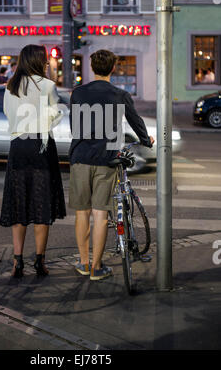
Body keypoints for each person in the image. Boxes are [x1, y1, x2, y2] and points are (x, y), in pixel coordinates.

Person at [69, 49, 154, 281]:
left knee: (82, 212)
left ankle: (84, 263)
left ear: (92, 67)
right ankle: (97, 268)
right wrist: (146, 140)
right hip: (106, 158)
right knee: (101, 213)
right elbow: (136, 121)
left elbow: (74, 126)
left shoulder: (77, 93)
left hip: (80, 156)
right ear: (113, 69)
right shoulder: (120, 94)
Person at [0, 44, 66, 278]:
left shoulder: (11, 85)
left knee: (19, 204)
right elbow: (55, 116)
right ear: (38, 61)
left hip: (18, 146)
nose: (47, 62)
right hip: (40, 146)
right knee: (41, 204)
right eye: (45, 59)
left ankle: (17, 261)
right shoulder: (47, 86)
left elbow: (8, 113)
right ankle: (39, 261)